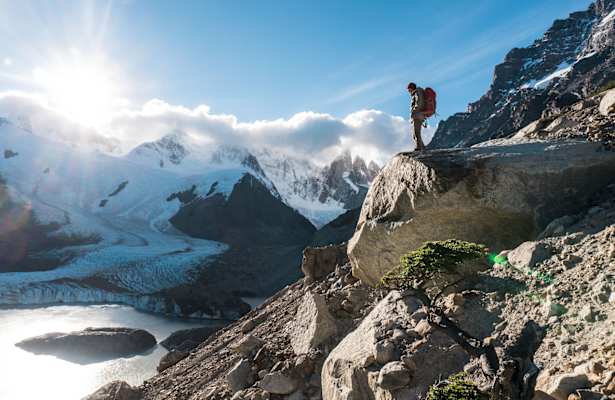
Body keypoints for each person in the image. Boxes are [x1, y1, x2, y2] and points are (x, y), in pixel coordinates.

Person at [407, 82, 426, 151]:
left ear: (411, 88)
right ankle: (422, 147)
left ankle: (419, 148)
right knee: (415, 134)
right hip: (418, 115)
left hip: (417, 115)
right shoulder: (417, 93)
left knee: (416, 133)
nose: (408, 91)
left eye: (409, 89)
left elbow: (419, 103)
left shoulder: (417, 92)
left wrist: (414, 111)